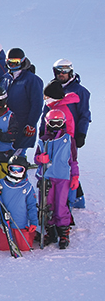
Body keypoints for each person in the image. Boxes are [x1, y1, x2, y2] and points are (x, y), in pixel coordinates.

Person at [48, 59, 91, 209]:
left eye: (65, 71)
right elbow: (46, 113)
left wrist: (81, 134)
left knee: (69, 168)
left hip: (70, 136)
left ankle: (74, 200)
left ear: (70, 71)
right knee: (55, 167)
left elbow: (85, 114)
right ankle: (56, 197)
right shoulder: (52, 88)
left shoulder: (80, 91)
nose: (62, 74)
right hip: (53, 135)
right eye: (59, 71)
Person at [34, 109, 79, 249]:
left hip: (62, 177)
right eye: (52, 123)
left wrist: (75, 176)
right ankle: (51, 230)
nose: (55, 126)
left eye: (58, 123)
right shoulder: (43, 140)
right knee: (47, 204)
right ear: (48, 123)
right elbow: (36, 158)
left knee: (60, 205)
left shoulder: (68, 140)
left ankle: (63, 232)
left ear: (63, 123)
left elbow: (73, 160)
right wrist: (40, 159)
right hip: (46, 177)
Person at [0, 156, 38, 252]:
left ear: (24, 170)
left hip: (21, 223)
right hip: (5, 222)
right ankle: (1, 234)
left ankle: (32, 234)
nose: (15, 172)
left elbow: (32, 206)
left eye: (19, 169)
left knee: (24, 248)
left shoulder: (27, 187)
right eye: (13, 168)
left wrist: (33, 222)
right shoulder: (1, 183)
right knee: (3, 248)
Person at [3, 48, 44, 152]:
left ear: (22, 61)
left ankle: (21, 163)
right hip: (7, 125)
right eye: (10, 63)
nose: (12, 66)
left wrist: (31, 124)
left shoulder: (31, 80)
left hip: (23, 125)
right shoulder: (5, 79)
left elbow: (37, 104)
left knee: (18, 154)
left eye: (15, 63)